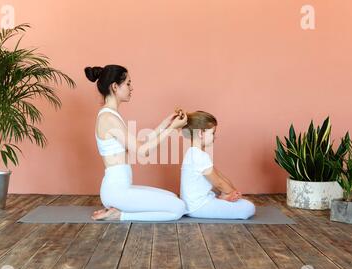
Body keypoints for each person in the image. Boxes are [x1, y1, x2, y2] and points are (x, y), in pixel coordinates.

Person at [85, 65, 188, 221]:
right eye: (128, 83)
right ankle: (120, 214)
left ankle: (118, 209)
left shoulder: (112, 115)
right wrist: (172, 129)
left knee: (173, 197)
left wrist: (166, 123)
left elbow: (140, 144)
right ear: (114, 87)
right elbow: (143, 151)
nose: (131, 88)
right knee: (179, 208)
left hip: (120, 189)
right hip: (117, 192)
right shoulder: (108, 118)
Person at [180, 111, 256, 219]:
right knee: (249, 207)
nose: (214, 137)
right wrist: (230, 193)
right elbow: (218, 182)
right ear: (201, 133)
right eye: (212, 133)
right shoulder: (199, 156)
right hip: (198, 207)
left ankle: (224, 199)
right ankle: (225, 199)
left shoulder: (194, 153)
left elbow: (218, 176)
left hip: (195, 205)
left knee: (242, 203)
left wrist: (232, 192)